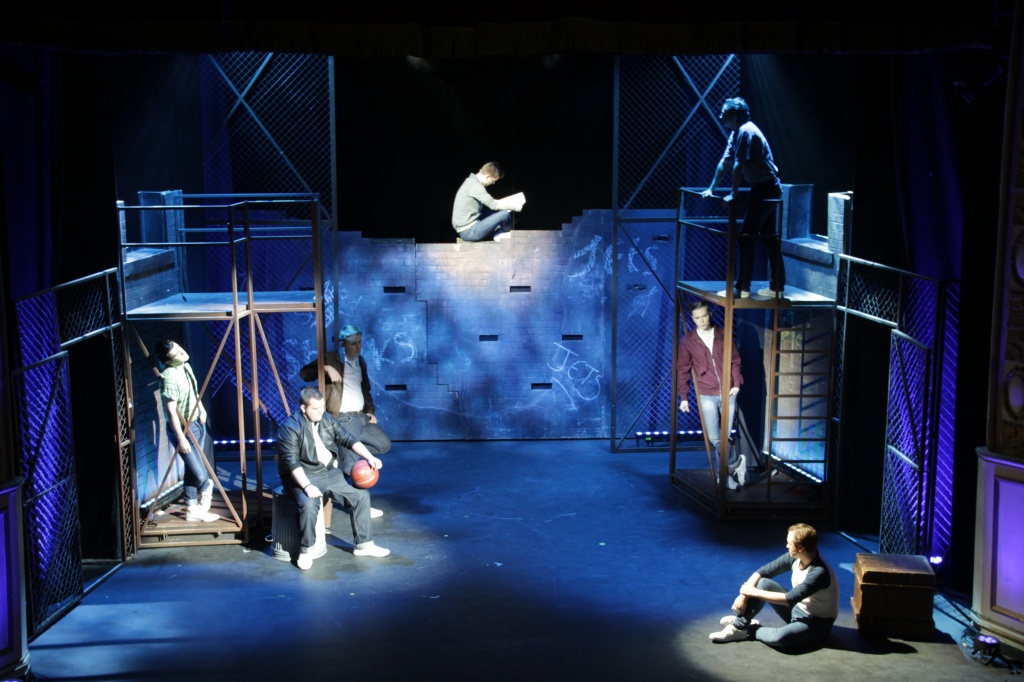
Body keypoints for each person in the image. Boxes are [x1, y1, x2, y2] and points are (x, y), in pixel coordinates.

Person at [277, 387, 391, 569]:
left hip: (329, 472)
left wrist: (369, 457)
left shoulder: (327, 419)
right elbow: (291, 462)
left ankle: (364, 545)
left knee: (361, 497)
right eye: (315, 408)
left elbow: (348, 439)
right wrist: (307, 486)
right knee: (309, 504)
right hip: (304, 475)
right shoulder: (290, 428)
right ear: (303, 408)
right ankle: (306, 551)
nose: (320, 412)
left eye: (322, 407)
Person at [701, 97, 785, 299]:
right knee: (768, 238)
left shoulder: (747, 131)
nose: (720, 115)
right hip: (764, 187)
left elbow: (739, 164)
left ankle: (743, 288)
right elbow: (725, 162)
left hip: (766, 188)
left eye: (724, 113)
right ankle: (776, 286)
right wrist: (711, 188)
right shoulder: (736, 132)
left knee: (747, 238)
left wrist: (734, 194)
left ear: (735, 115)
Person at [710, 523, 839, 647]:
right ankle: (739, 626)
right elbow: (763, 572)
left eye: (789, 543)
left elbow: (789, 598)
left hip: (816, 623)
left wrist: (752, 592)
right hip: (797, 609)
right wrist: (743, 595)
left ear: (800, 548)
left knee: (779, 638)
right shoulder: (795, 557)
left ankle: (749, 630)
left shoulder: (819, 572)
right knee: (763, 582)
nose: (786, 546)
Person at [299, 324, 392, 476]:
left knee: (383, 445)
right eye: (353, 343)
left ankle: (340, 449)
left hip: (361, 417)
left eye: (360, 342)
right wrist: (324, 368)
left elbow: (365, 390)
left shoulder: (360, 361)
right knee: (352, 467)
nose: (358, 347)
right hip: (344, 418)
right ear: (343, 345)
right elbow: (304, 374)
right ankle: (350, 481)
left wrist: (370, 411)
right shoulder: (330, 358)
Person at [677, 300, 746, 489]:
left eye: (704, 316)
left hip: (728, 391)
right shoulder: (688, 340)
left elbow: (735, 361)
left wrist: (736, 384)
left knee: (724, 438)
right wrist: (684, 397)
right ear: (693, 319)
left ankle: (724, 477)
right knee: (716, 438)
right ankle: (736, 463)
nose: (701, 320)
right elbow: (683, 369)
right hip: (706, 393)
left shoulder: (723, 335)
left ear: (710, 315)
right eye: (697, 318)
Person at [155, 339, 219, 523]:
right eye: (176, 353)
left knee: (192, 469)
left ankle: (191, 509)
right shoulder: (168, 378)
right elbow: (171, 412)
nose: (182, 352)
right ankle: (206, 490)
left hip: (196, 422)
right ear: (168, 360)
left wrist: (201, 409)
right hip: (183, 429)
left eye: (179, 348)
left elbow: (193, 391)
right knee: (200, 473)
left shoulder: (185, 366)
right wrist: (181, 437)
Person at [451, 161, 526, 242]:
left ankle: (498, 232)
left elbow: (493, 203)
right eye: (494, 180)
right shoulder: (475, 186)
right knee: (505, 215)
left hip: (469, 228)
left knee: (492, 212)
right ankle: (504, 234)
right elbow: (494, 205)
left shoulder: (471, 182)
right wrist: (515, 206)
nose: (493, 183)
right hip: (469, 231)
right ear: (488, 177)